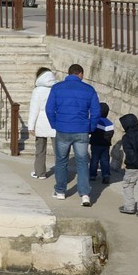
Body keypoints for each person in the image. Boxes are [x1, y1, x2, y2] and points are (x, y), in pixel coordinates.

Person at [45, 63, 101, 205]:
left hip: (63, 129)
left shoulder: (57, 88)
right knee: (82, 162)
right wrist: (91, 127)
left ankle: (60, 191)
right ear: (80, 74)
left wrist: (55, 124)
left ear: (68, 73)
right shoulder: (89, 89)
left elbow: (49, 109)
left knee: (61, 161)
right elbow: (96, 112)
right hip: (82, 130)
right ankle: (85, 195)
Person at [27, 68, 56, 178]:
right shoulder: (56, 88)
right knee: (58, 151)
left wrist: (31, 126)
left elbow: (34, 109)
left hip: (41, 122)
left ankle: (40, 173)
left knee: (40, 149)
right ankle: (60, 174)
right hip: (54, 121)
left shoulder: (38, 90)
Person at [89, 102, 115, 185]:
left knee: (94, 159)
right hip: (105, 145)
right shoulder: (110, 123)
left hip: (95, 144)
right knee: (105, 160)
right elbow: (110, 134)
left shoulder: (95, 121)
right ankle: (106, 176)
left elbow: (90, 130)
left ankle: (92, 175)